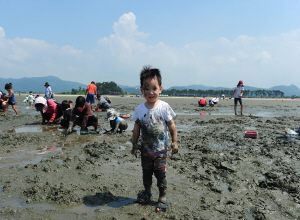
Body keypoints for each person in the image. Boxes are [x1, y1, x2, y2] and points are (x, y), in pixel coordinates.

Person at [131, 66, 178, 213]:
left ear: (160, 89)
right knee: (146, 173)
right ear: (142, 90)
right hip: (145, 150)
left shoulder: (164, 107)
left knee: (161, 174)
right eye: (147, 88)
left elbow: (171, 125)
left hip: (160, 151)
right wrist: (134, 145)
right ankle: (147, 192)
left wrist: (175, 142)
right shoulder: (140, 109)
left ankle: (162, 197)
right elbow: (136, 129)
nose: (150, 92)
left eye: (154, 88)